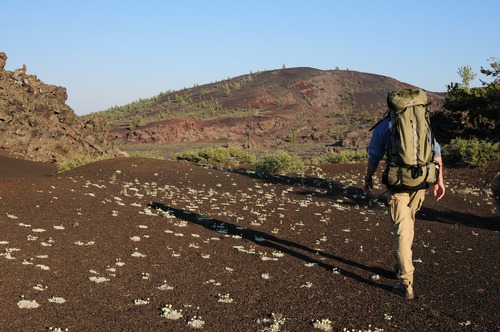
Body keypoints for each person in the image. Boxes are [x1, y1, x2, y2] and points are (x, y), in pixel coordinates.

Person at [363, 116, 445, 300]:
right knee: (409, 224)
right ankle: (401, 265)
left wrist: (368, 180)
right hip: (420, 183)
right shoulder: (422, 121)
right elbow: (436, 153)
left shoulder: (384, 125)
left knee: (401, 231)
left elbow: (374, 156)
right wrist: (439, 181)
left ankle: (406, 283)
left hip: (398, 185)